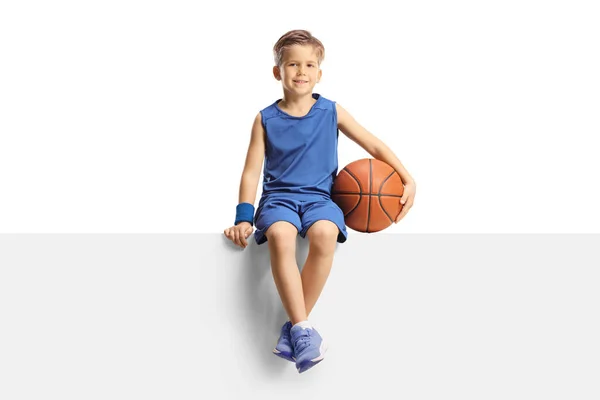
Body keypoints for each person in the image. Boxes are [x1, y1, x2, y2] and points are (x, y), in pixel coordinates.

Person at [223, 29, 416, 373]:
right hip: (279, 199)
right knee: (281, 235)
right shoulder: (265, 119)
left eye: (309, 64)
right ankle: (302, 328)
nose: (301, 71)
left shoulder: (331, 111)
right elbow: (251, 172)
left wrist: (406, 176)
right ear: (277, 72)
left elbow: (373, 145)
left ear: (319, 73)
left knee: (325, 233)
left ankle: (296, 328)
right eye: (292, 64)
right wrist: (243, 217)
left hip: (320, 199)